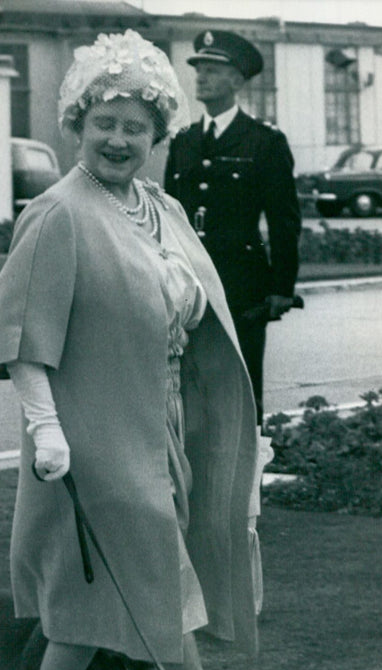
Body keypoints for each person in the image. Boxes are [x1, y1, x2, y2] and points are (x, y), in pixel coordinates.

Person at [0, 30, 258, 670]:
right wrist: (46, 431)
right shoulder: (59, 214)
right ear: (76, 123)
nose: (118, 138)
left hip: (160, 423)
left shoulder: (158, 207)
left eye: (136, 127)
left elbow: (194, 314)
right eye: (103, 122)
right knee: (152, 567)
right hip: (92, 432)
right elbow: (21, 340)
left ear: (158, 135)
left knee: (113, 586)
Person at [165, 29, 301, 422]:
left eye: (213, 70)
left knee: (241, 391)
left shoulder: (263, 142)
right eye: (199, 69)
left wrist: (281, 288)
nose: (201, 77)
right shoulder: (184, 140)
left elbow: (284, 219)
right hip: (187, 284)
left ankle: (247, 478)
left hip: (242, 287)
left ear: (238, 81)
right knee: (188, 388)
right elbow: (169, 213)